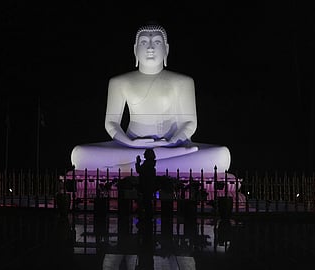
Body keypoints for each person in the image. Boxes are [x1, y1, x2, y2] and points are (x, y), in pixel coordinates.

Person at [71, 23, 231, 175]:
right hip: (130, 147)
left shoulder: (183, 82)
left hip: (173, 146)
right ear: (135, 50)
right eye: (144, 42)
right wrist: (130, 143)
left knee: (221, 155)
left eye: (156, 42)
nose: (150, 48)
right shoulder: (119, 82)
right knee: (79, 154)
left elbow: (190, 123)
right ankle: (157, 164)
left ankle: (133, 166)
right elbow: (111, 123)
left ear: (166, 49)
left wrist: (171, 142)